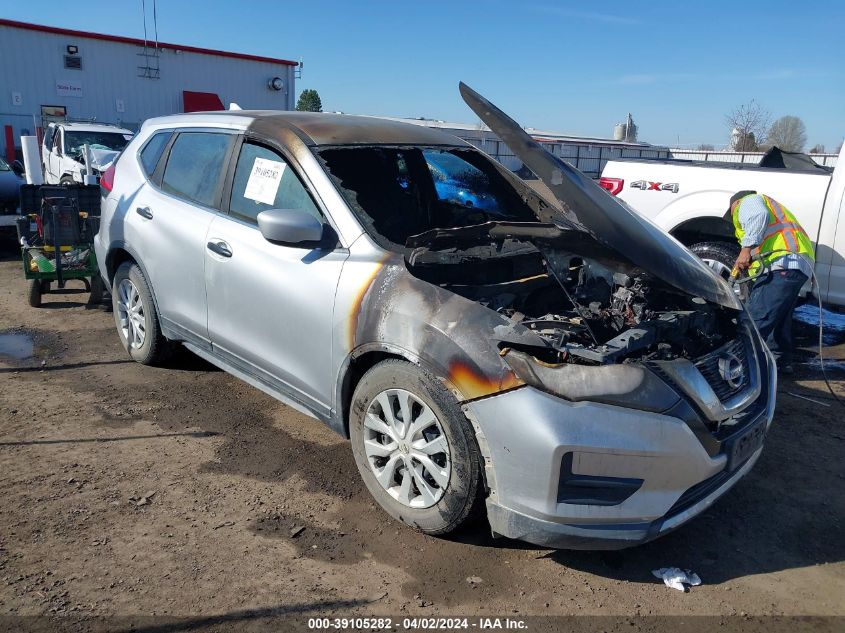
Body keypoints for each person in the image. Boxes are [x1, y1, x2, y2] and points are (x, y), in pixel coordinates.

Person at [728, 190, 816, 374]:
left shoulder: (748, 201)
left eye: (731, 213)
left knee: (755, 318)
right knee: (779, 319)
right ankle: (780, 364)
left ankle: (734, 369)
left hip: (782, 263)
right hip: (795, 267)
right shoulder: (774, 209)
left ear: (734, 204)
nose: (734, 218)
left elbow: (758, 215)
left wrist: (745, 251)